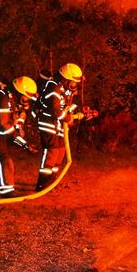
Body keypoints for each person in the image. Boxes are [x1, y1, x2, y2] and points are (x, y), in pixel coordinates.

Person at [34, 62, 83, 190]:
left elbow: (65, 107)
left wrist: (74, 113)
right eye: (73, 81)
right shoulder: (53, 87)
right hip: (48, 123)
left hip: (57, 124)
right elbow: (55, 110)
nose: (75, 85)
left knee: (60, 151)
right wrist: (68, 118)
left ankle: (52, 182)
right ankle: (42, 184)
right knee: (52, 151)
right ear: (66, 79)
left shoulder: (62, 89)